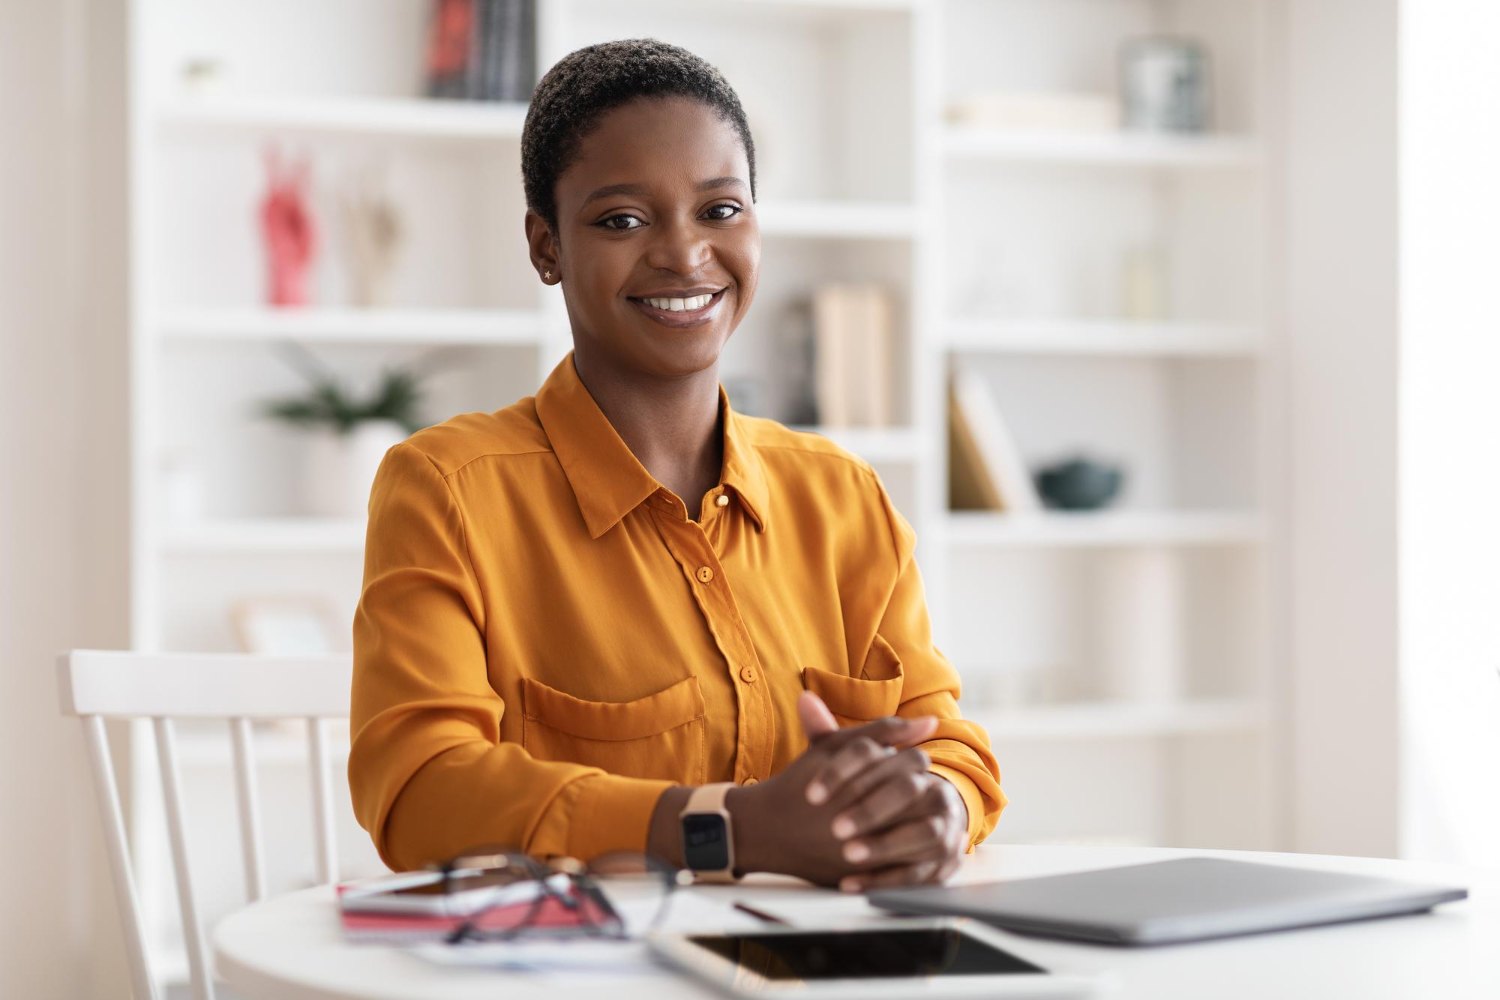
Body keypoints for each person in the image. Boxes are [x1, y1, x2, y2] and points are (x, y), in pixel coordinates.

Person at [349, 38, 1004, 893]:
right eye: (623, 220)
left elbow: (949, 745)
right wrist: (728, 830)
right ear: (546, 247)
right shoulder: (447, 490)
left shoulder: (842, 495)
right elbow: (419, 791)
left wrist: (935, 809)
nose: (685, 254)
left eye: (720, 210)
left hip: (824, 968)